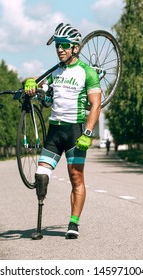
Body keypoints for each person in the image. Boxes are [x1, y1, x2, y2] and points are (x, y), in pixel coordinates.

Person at [24, 23, 102, 239]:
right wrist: (31, 85)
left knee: (76, 178)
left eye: (65, 45)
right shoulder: (54, 73)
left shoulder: (87, 73)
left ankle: (73, 223)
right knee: (41, 175)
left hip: (76, 132)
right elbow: (44, 97)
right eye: (58, 45)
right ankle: (39, 219)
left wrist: (88, 133)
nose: (60, 49)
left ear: (75, 48)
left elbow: (96, 105)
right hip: (54, 132)